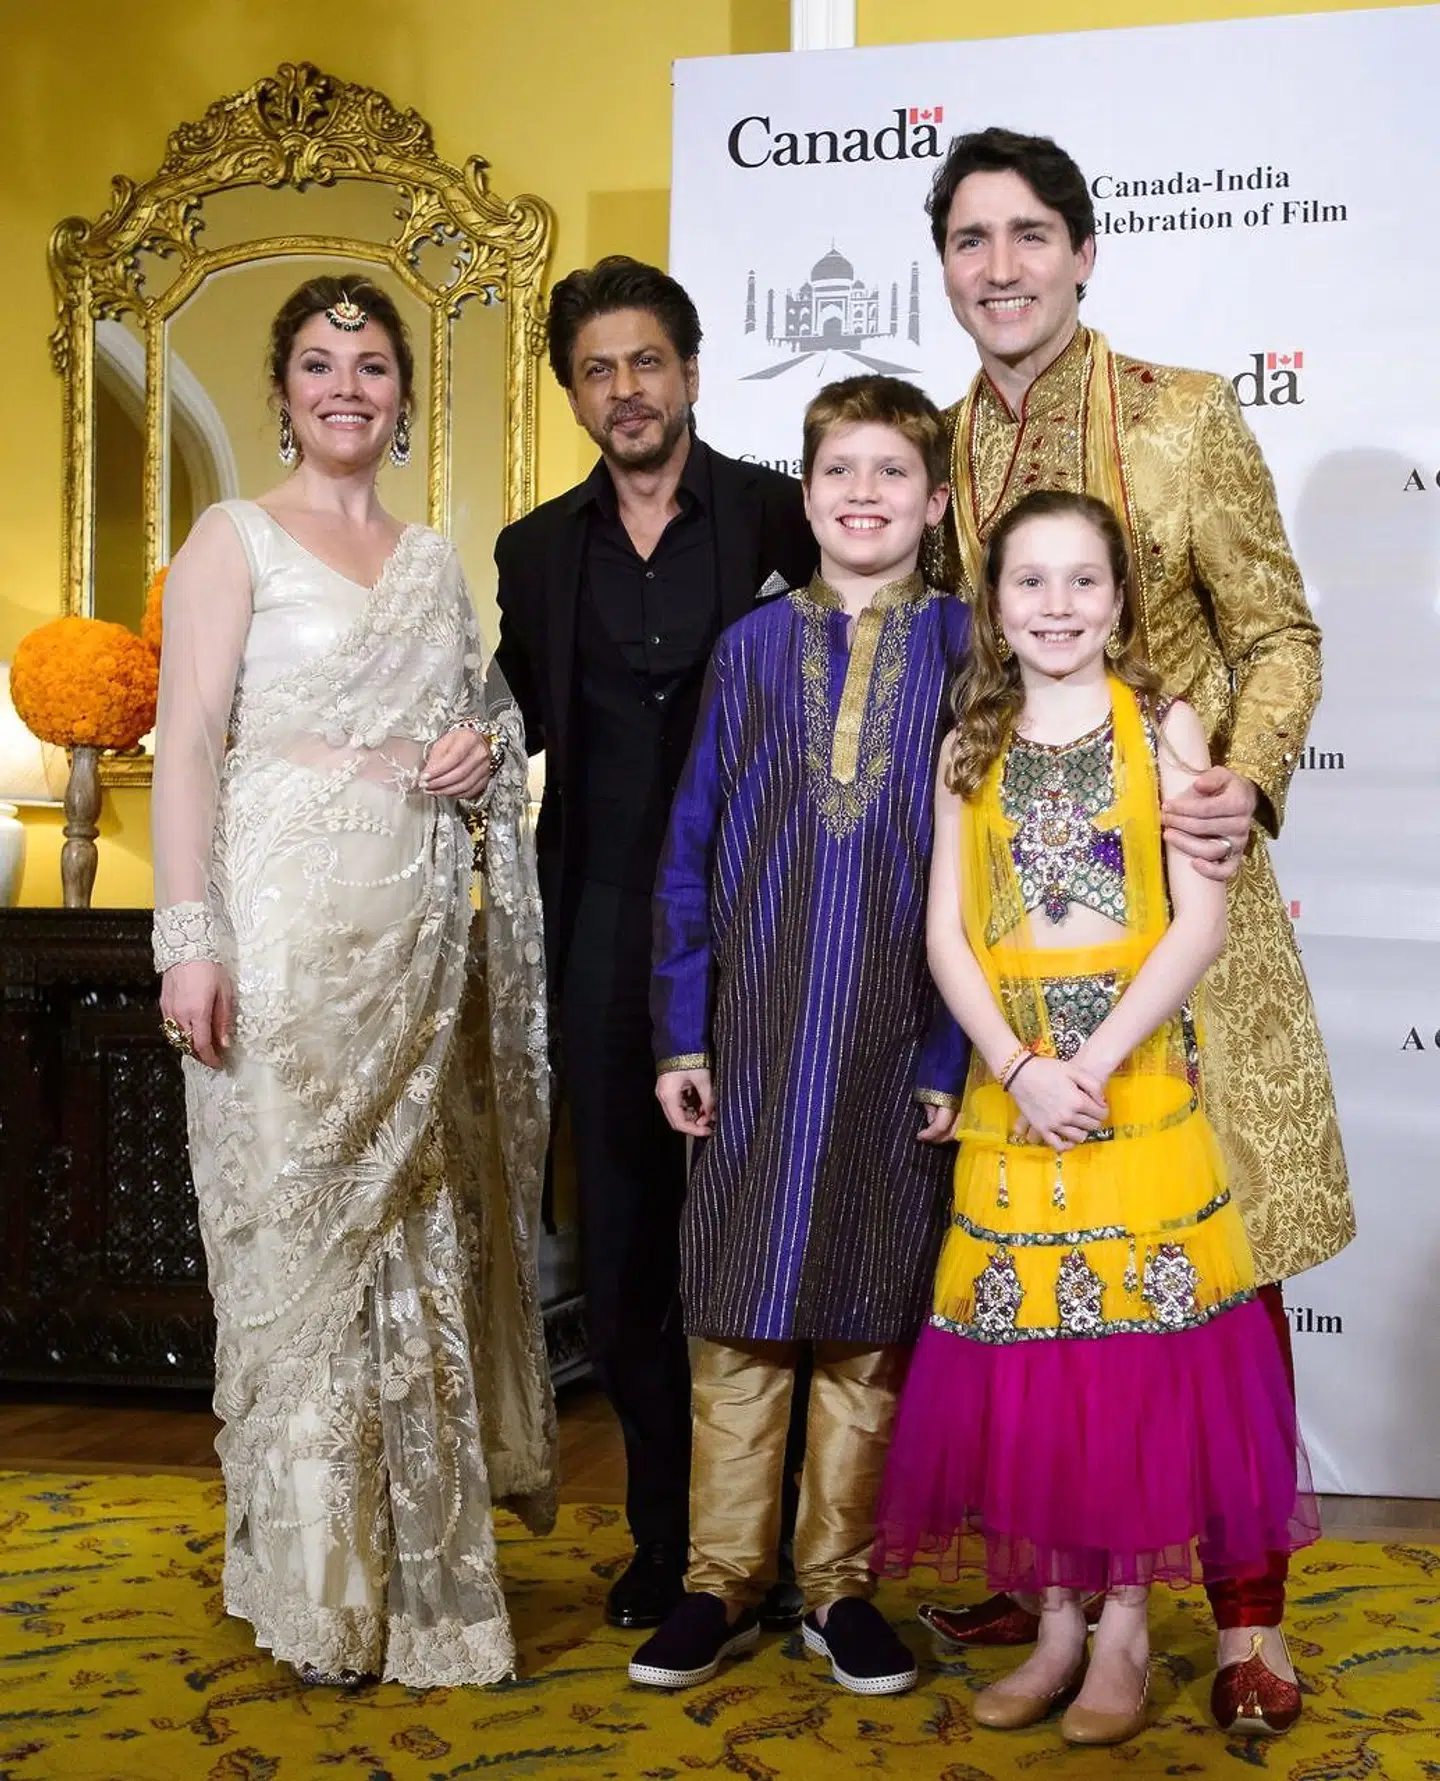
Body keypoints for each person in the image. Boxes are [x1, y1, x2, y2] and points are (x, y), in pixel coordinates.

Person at [919, 125, 1352, 1734]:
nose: (1003, 267)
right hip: (1028, 934)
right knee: (1046, 1267)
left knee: (1217, 1272)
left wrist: (1244, 776)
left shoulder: (1184, 414)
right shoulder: (935, 448)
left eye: (1030, 234)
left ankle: (1248, 1617)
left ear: (1085, 252)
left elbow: (1280, 632)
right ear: (945, 266)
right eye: (972, 239)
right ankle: (1063, 1572)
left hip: (1190, 916)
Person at [151, 274, 554, 1688]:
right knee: (298, 1253)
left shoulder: (435, 562)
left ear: (402, 397)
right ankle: (317, 1592)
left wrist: (479, 757)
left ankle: (422, 1588)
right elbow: (187, 740)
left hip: (413, 949)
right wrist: (187, 936)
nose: (345, 386)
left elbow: (479, 729)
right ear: (283, 392)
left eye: (371, 364)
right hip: (279, 943)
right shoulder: (232, 537)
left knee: (408, 1246)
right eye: (319, 364)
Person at [875, 489, 1318, 1746]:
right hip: (1017, 1100)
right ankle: (1057, 1623)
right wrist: (1018, 1066)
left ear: (1122, 600)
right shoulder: (970, 741)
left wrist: (1094, 1061)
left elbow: (1200, 921)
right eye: (1031, 581)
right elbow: (947, 934)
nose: (1057, 605)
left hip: (1134, 1092)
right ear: (993, 604)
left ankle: (1124, 1627)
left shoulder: (1160, 723)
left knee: (1129, 1365)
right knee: (1037, 1364)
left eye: (1083, 581)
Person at [627, 376, 970, 1695]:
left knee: (867, 1311)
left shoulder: (970, 652)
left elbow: (992, 878)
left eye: (893, 472)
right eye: (840, 470)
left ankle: (837, 1585)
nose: (864, 493)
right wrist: (682, 1035)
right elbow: (688, 852)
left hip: (898, 1037)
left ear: (935, 504)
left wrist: (950, 1058)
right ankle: (720, 1579)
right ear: (806, 491)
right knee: (738, 1304)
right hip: (757, 1036)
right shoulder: (751, 650)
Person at [493, 257, 817, 1630]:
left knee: (766, 1230)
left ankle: (780, 1540)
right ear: (573, 396)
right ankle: (664, 1534)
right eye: (595, 370)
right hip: (606, 926)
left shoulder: (785, 514)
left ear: (688, 370)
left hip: (775, 922)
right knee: (626, 1244)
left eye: (643, 361)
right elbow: (503, 721)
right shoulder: (533, 553)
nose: (623, 389)